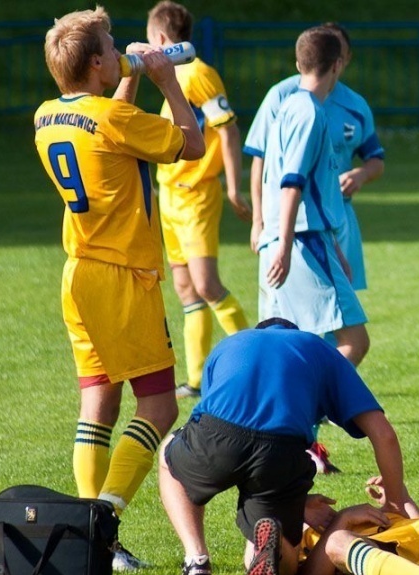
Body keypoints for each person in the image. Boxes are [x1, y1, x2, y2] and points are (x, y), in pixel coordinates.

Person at [33, 5, 205, 571]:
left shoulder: (45, 116)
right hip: (124, 277)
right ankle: (100, 525)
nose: (118, 49)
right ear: (97, 62)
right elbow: (191, 143)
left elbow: (107, 126)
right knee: (157, 405)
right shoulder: (114, 119)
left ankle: (90, 532)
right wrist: (166, 81)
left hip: (77, 273)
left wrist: (127, 76)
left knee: (98, 401)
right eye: (111, 45)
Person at [157, 318, 414, 575]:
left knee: (168, 457)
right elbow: (383, 434)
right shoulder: (317, 347)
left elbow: (217, 426)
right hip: (281, 449)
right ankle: (272, 544)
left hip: (218, 433)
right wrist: (395, 502)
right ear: (295, 333)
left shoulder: (230, 343)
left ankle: (196, 560)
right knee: (284, 563)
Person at [248, 25, 373, 368]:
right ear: (336, 65)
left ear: (299, 62)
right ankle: (307, 415)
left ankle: (286, 419)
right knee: (353, 341)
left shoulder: (286, 107)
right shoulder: (310, 113)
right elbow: (292, 184)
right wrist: (286, 247)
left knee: (287, 346)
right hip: (303, 243)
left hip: (300, 240)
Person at [145, 1, 252, 401]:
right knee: (187, 289)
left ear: (158, 38)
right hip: (171, 198)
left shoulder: (198, 73)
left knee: (207, 284)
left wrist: (233, 187)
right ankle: (195, 379)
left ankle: (257, 357)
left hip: (196, 198)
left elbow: (228, 130)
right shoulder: (171, 76)